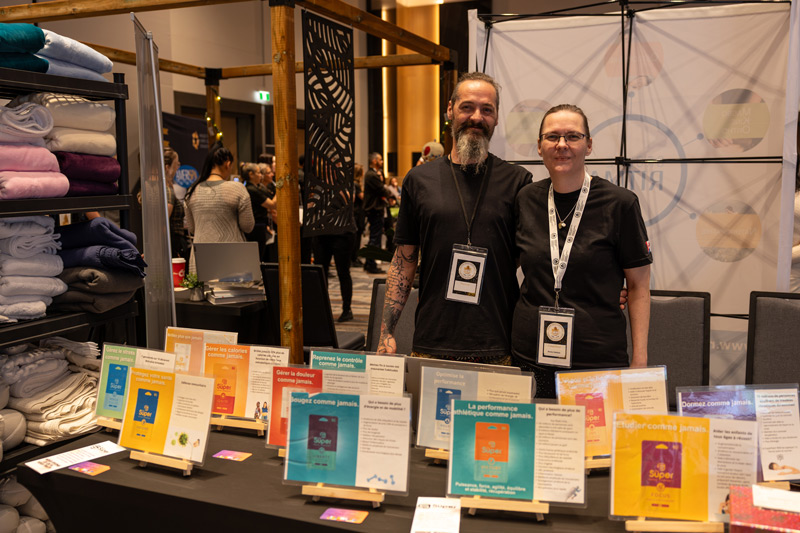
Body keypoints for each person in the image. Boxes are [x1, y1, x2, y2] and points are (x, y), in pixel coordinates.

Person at [377, 72, 532, 363]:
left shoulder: (518, 182)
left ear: (496, 118)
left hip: (499, 343)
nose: (477, 117)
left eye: (487, 109)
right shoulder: (419, 180)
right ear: (450, 110)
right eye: (467, 107)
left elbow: (534, 258)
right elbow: (404, 260)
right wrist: (387, 331)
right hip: (432, 341)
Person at [511, 104, 652, 398]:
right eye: (552, 136)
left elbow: (638, 286)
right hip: (529, 357)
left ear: (588, 145)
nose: (562, 144)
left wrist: (640, 361)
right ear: (539, 146)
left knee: (595, 431)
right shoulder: (525, 200)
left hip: (596, 361)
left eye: (573, 136)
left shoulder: (620, 204)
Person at [184, 143, 255, 273]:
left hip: (200, 259)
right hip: (231, 260)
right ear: (227, 164)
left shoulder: (192, 191)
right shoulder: (237, 189)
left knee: (201, 286)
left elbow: (192, 228)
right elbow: (248, 226)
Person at [362, 152, 393, 274]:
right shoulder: (371, 175)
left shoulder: (373, 174)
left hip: (376, 209)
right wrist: (387, 192)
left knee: (375, 237)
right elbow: (382, 190)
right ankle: (371, 264)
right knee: (375, 238)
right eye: (380, 159)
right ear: (374, 161)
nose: (382, 162)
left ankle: (369, 263)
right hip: (375, 210)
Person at [243, 162, 277, 262]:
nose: (260, 175)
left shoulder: (256, 187)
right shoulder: (251, 189)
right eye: (258, 173)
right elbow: (272, 204)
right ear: (251, 174)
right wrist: (280, 187)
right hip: (256, 227)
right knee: (258, 257)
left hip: (261, 225)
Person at [351, 163, 365, 266]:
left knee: (357, 236)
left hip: (357, 212)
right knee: (356, 237)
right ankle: (354, 257)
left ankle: (354, 257)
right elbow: (362, 197)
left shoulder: (354, 184)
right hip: (357, 213)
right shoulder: (356, 184)